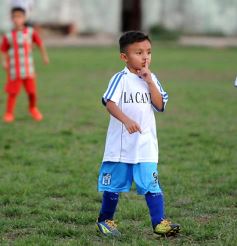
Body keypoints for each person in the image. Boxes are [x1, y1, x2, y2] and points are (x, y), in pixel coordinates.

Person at [96, 31, 180, 237]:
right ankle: (104, 221)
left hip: (145, 145)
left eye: (149, 52)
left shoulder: (152, 79)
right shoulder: (120, 78)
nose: (145, 57)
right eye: (139, 52)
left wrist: (149, 81)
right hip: (121, 146)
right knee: (114, 185)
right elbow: (109, 102)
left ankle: (159, 223)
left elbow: (160, 106)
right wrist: (126, 120)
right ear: (124, 57)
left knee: (151, 183)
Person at [0, 7, 49, 123]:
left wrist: (45, 57)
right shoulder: (8, 36)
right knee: (13, 92)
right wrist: (4, 61)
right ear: (12, 19)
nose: (17, 19)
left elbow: (40, 44)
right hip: (14, 69)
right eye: (15, 17)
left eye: (20, 17)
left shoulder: (30, 32)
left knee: (32, 92)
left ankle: (33, 108)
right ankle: (9, 113)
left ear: (24, 18)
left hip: (28, 68)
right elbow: (3, 49)